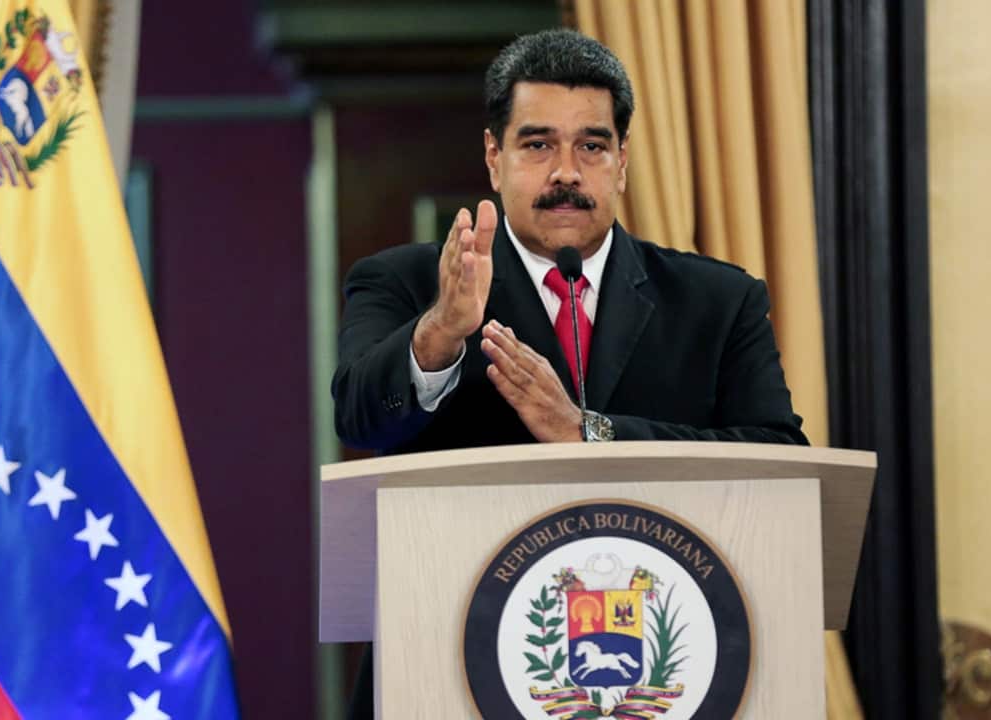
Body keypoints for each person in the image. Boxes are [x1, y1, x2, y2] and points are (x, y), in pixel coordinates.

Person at [331, 28, 806, 719]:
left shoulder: (717, 301)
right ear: (495, 158)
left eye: (591, 145)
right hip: (447, 668)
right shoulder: (407, 283)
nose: (565, 172)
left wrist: (588, 433)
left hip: (672, 678)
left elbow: (780, 459)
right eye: (537, 144)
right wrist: (439, 332)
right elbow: (358, 415)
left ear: (622, 162)